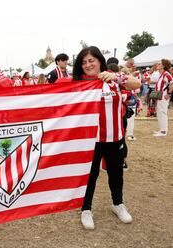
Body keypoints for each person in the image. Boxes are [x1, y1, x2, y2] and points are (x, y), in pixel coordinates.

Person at [72, 46, 141, 230]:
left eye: (91, 60)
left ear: (100, 60)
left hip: (114, 138)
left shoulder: (112, 79)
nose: (87, 64)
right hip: (90, 141)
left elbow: (137, 84)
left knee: (116, 173)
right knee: (90, 176)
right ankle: (86, 209)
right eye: (84, 62)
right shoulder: (78, 83)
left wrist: (117, 77)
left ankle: (118, 204)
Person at [153, 59, 173, 137]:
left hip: (163, 97)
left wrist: (169, 93)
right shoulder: (162, 74)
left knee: (162, 113)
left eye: (159, 64)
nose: (157, 65)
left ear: (163, 66)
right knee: (160, 113)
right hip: (160, 97)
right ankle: (162, 129)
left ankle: (163, 131)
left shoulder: (166, 74)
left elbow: (172, 83)